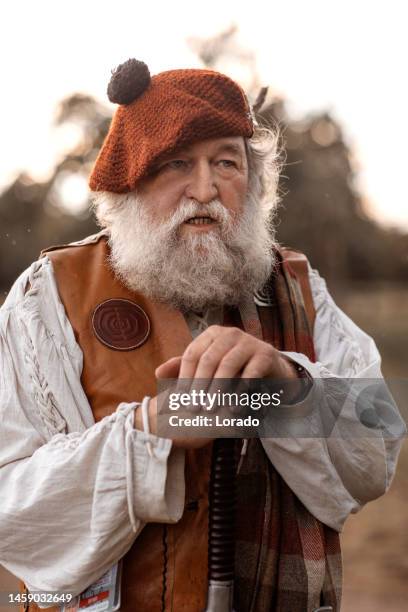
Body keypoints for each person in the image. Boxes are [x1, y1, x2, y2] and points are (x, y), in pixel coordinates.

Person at [0, 59, 404, 612]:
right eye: (176, 164)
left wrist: (285, 388)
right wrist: (150, 432)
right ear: (131, 183)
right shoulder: (50, 297)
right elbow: (10, 512)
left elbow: (377, 454)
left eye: (226, 163)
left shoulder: (301, 290)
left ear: (253, 183)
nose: (206, 188)